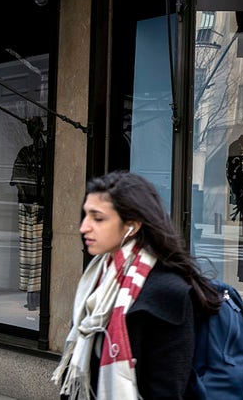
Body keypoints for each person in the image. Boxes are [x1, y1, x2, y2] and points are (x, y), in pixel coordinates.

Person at [52, 171, 222, 400]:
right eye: (85, 216)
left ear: (131, 226)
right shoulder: (97, 277)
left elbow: (166, 391)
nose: (84, 227)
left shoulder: (167, 292)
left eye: (98, 218)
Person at [10, 116, 46, 311]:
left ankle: (37, 297)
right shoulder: (25, 153)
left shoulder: (48, 152)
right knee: (30, 252)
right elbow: (20, 182)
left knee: (40, 254)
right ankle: (33, 298)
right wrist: (30, 201)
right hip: (30, 208)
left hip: (41, 209)